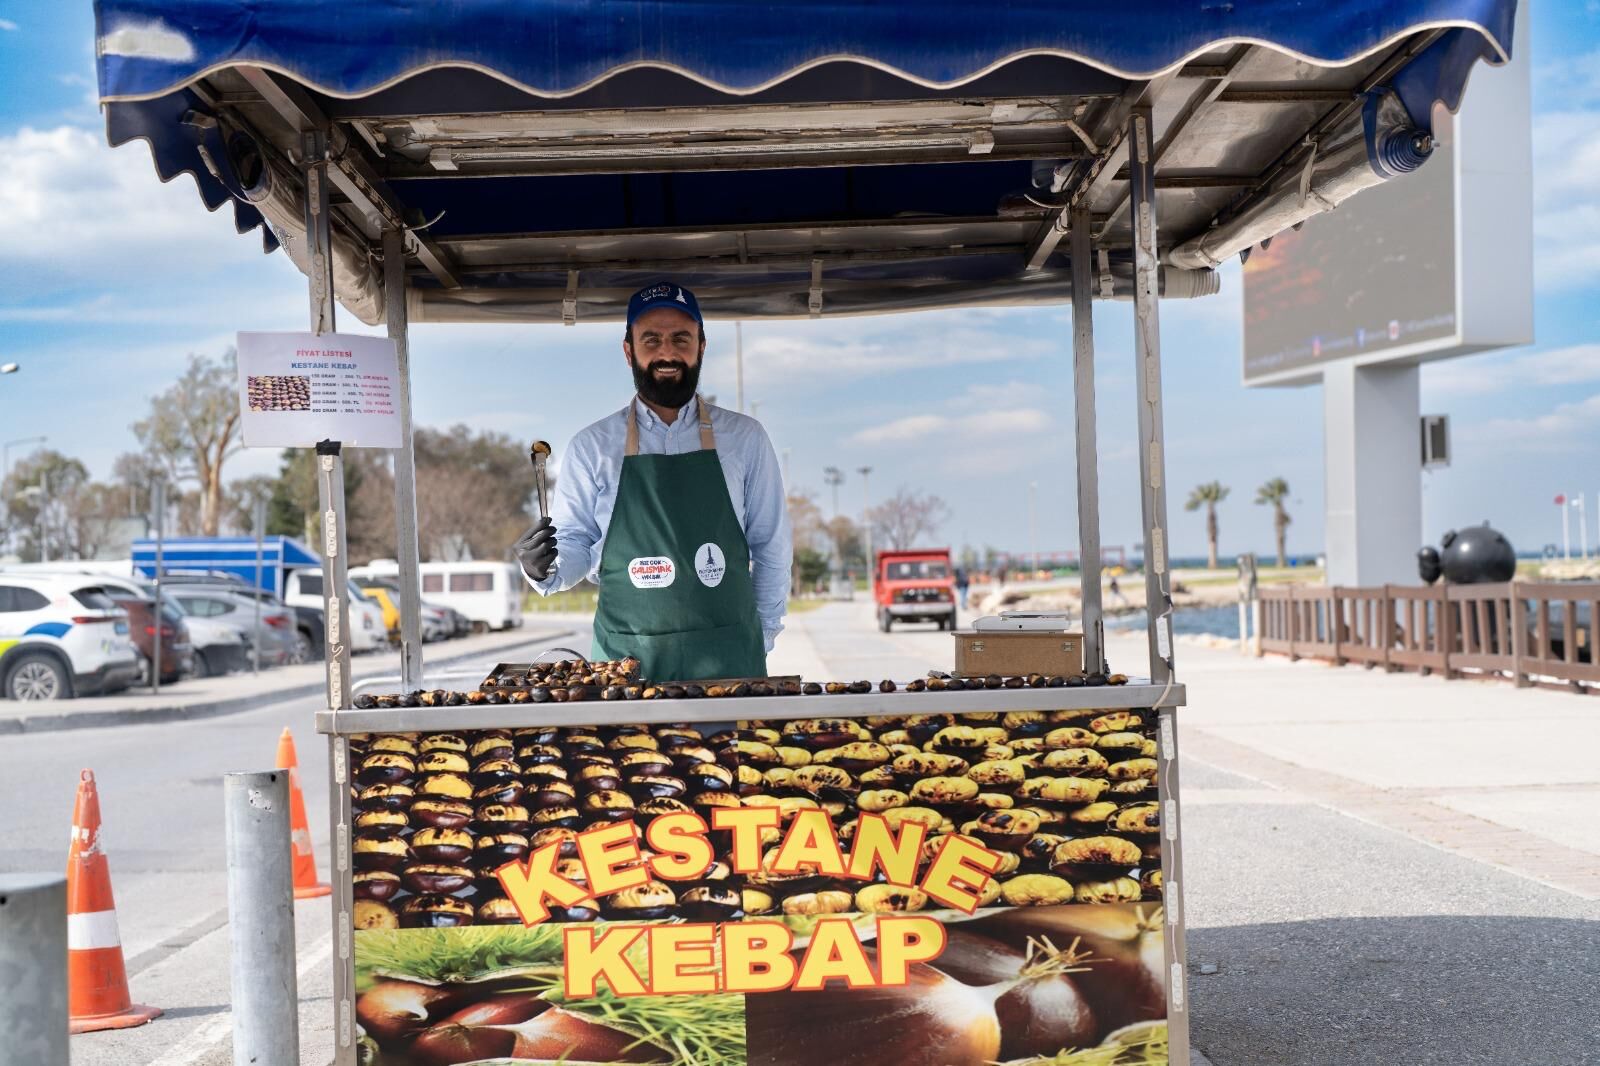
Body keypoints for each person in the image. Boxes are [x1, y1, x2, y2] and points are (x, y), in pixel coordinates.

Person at [514, 283, 792, 681]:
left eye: (681, 338)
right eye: (652, 340)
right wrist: (542, 568)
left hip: (729, 659)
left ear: (701, 346)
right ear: (629, 351)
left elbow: (771, 547)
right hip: (625, 664)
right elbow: (575, 541)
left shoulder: (745, 438)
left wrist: (759, 635)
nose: (667, 353)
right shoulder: (592, 446)